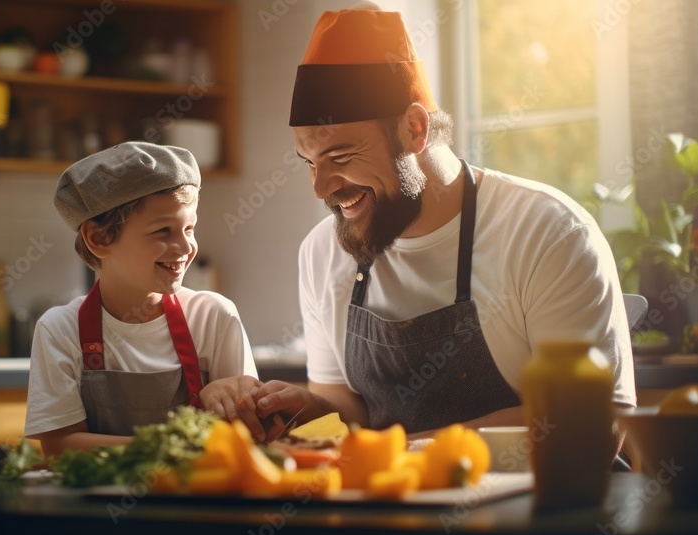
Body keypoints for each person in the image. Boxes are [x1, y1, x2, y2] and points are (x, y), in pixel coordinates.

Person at [246, 5, 635, 459]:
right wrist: (313, 409)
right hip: (395, 518)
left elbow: (591, 427)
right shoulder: (322, 252)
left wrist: (404, 452)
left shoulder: (546, 231)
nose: (320, 189)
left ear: (414, 129)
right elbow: (350, 412)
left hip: (542, 518)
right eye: (310, 163)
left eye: (341, 156)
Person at [24, 142, 262, 457]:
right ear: (99, 239)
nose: (185, 246)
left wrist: (229, 403)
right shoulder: (60, 330)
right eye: (163, 231)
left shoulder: (214, 316)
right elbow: (60, 446)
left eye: (189, 228)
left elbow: (248, 434)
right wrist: (173, 447)